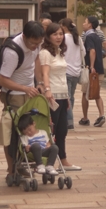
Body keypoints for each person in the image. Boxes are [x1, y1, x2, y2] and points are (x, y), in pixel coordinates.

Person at [0, 20, 45, 182]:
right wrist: (24, 88)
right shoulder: (12, 52)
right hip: (14, 95)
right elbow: (2, 80)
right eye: (32, 43)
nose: (35, 46)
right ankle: (12, 169)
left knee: (29, 129)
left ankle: (22, 164)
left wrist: (40, 83)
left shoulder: (36, 45)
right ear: (24, 36)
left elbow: (36, 61)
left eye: (39, 43)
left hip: (29, 91)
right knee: (14, 132)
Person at [37, 23, 81, 171]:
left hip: (62, 95)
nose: (58, 37)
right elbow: (45, 74)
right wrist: (47, 90)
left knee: (62, 130)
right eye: (55, 34)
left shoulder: (60, 52)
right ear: (48, 36)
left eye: (61, 34)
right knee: (51, 130)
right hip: (52, 96)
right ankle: (47, 162)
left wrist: (67, 97)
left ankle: (63, 160)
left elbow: (62, 76)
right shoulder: (45, 52)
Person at [81, 16, 106, 127]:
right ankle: (101, 115)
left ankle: (85, 118)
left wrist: (91, 66)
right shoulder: (97, 36)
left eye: (85, 22)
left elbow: (92, 51)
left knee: (84, 93)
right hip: (100, 69)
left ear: (90, 24)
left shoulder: (89, 36)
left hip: (91, 70)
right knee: (97, 93)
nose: (83, 23)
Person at [60, 18, 83, 130]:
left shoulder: (63, 38)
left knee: (67, 97)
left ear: (64, 26)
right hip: (76, 71)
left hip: (66, 70)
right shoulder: (77, 38)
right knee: (71, 96)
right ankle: (68, 117)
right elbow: (83, 51)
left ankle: (69, 121)